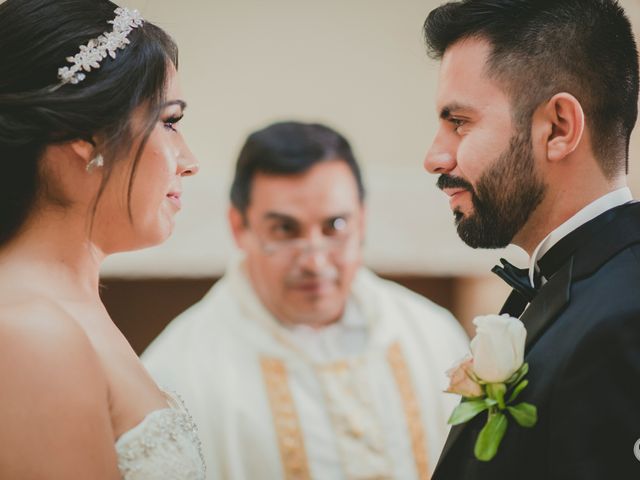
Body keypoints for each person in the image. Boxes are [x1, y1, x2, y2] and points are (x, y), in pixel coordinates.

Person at [143, 121, 469, 479]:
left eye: (335, 227)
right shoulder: (176, 376)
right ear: (239, 227)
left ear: (362, 221)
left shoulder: (431, 335)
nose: (315, 260)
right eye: (285, 230)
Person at [422, 0, 640, 478]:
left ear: (558, 128)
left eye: (459, 123)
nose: (435, 157)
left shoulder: (625, 318)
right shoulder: (569, 281)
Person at [0, 1, 205, 478]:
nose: (189, 160)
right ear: (84, 135)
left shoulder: (69, 309)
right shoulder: (28, 335)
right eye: (170, 122)